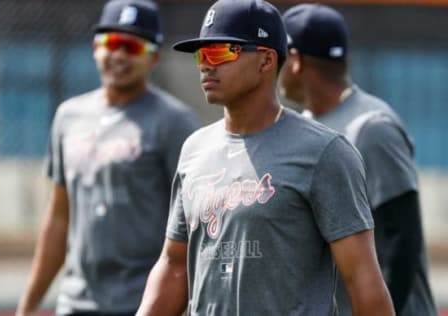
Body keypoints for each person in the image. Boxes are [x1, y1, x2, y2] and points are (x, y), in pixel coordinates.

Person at [135, 0, 395, 315]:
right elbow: (174, 264)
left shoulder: (324, 152)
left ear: (266, 60)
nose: (206, 64)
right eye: (202, 54)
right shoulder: (194, 150)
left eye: (220, 52)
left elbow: (361, 279)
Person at [15, 0, 201, 315]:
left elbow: (195, 224)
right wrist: (28, 303)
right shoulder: (69, 116)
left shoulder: (174, 122)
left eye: (131, 45)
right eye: (111, 43)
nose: (119, 55)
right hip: (75, 302)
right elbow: (60, 216)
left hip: (143, 303)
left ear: (154, 56)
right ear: (94, 48)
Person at [279, 4, 438, 316]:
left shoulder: (371, 127)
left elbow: (400, 242)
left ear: (295, 61)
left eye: (280, 57)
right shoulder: (305, 127)